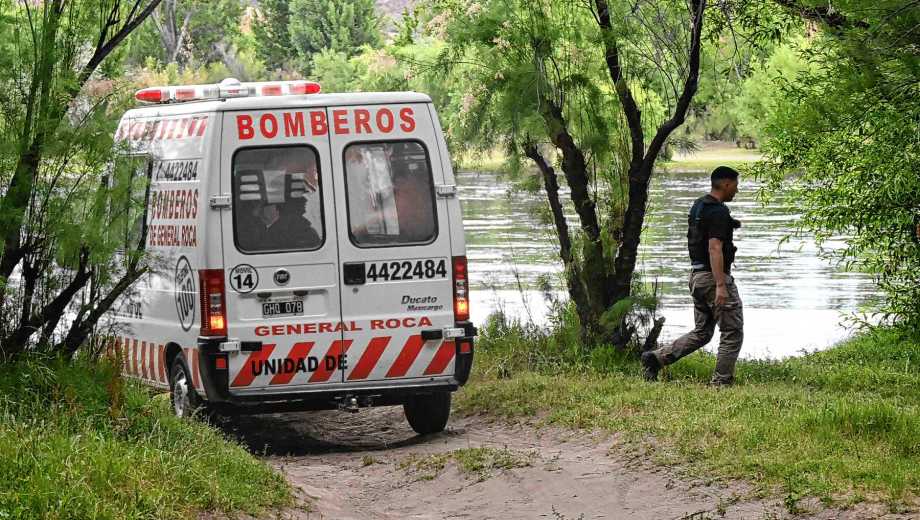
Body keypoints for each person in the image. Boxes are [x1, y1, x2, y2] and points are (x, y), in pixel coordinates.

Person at [641, 166, 744, 386]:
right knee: (732, 331)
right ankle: (722, 383)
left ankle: (656, 359)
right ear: (726, 184)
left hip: (696, 277)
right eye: (735, 185)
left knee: (703, 332)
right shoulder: (718, 211)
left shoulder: (699, 206)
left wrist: (731, 225)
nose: (737, 190)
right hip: (712, 279)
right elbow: (714, 247)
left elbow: (703, 233)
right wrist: (721, 285)